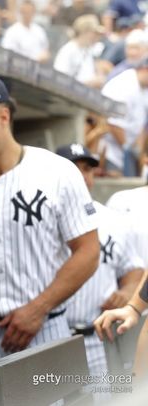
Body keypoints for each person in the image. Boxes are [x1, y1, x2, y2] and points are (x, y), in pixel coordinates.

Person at [0, 71, 100, 406]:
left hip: (45, 325)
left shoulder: (57, 171)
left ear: (3, 115)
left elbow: (88, 252)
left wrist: (39, 308)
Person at [55, 143, 144, 381]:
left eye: (87, 169)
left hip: (98, 337)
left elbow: (134, 270)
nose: (82, 176)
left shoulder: (114, 220)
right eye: (74, 169)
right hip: (51, 338)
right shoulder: (38, 219)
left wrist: (126, 293)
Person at [100, 56, 148, 177]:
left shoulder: (144, 87)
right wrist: (128, 149)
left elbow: (141, 124)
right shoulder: (125, 84)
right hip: (111, 150)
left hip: (128, 150)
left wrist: (138, 151)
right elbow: (113, 123)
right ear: (144, 69)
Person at [53, 14, 107, 88]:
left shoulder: (88, 49)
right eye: (94, 33)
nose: (96, 37)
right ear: (84, 32)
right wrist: (88, 83)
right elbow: (60, 80)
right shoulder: (68, 50)